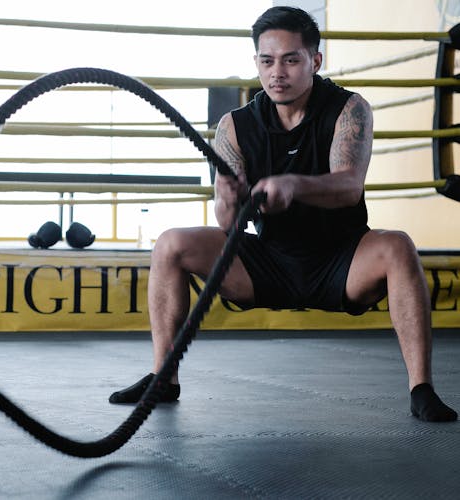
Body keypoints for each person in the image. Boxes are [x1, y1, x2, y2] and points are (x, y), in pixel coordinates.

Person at [109, 6, 457, 422]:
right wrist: (229, 197)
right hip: (268, 262)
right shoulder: (234, 127)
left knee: (398, 245)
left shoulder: (349, 109)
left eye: (291, 60)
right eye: (267, 60)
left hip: (341, 260)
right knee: (171, 244)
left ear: (315, 61)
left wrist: (294, 186)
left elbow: (349, 186)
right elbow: (227, 225)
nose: (278, 72)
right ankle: (163, 378)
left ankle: (422, 389)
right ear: (256, 61)